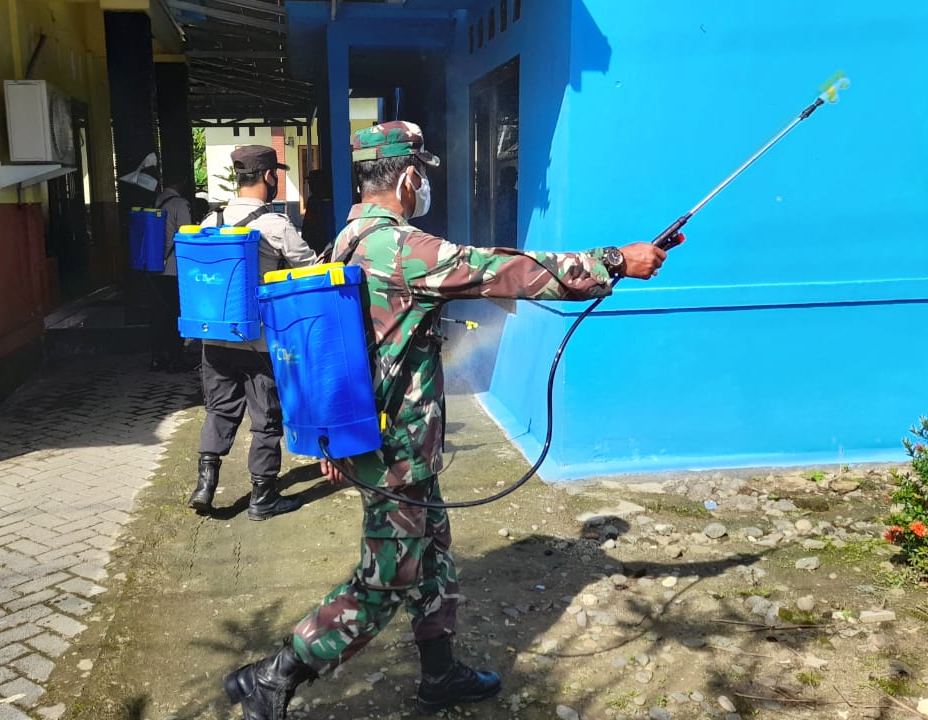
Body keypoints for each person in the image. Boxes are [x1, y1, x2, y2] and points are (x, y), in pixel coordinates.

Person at [222, 121, 667, 718]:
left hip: (397, 444)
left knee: (433, 560)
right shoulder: (398, 247)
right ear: (408, 177)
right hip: (395, 450)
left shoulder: (348, 240)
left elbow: (335, 349)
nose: (423, 185)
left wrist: (332, 438)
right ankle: (275, 676)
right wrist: (613, 261)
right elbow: (503, 269)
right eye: (422, 174)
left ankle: (440, 675)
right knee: (385, 579)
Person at [188, 145, 319, 520]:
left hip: (213, 338)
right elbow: (309, 269)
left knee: (219, 409)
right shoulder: (275, 225)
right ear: (268, 177)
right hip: (258, 342)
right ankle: (263, 498)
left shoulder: (210, 222)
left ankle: (205, 485)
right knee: (266, 417)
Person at [150, 174, 194, 371]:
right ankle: (176, 358)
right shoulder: (180, 204)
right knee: (175, 313)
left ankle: (158, 357)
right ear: (182, 182)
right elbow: (186, 235)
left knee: (159, 314)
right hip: (174, 269)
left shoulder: (156, 201)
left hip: (154, 267)